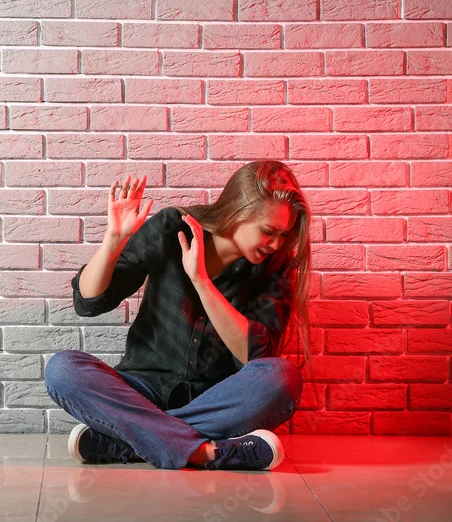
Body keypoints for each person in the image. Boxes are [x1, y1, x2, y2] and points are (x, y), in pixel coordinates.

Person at [44, 160, 317, 471]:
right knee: (63, 369)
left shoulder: (276, 267)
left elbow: (256, 355)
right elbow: (88, 302)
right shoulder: (172, 227)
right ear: (239, 212)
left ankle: (131, 442)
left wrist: (201, 281)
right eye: (269, 232)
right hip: (141, 391)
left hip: (216, 401)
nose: (277, 244)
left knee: (282, 377)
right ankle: (207, 452)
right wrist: (114, 241)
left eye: (284, 234)